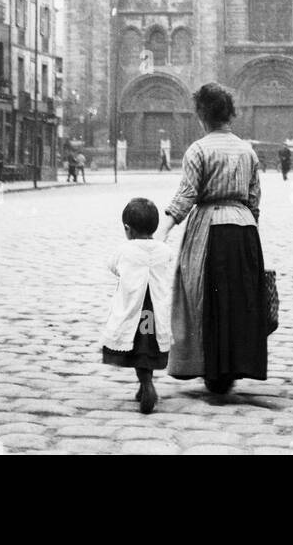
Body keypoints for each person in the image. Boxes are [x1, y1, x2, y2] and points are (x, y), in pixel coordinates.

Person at [157, 83, 268, 397]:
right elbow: (254, 200)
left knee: (205, 297)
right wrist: (250, 231)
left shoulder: (198, 149)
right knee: (238, 301)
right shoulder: (247, 150)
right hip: (245, 230)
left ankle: (211, 367)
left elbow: (187, 196)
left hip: (210, 229)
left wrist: (163, 230)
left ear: (201, 114)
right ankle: (233, 367)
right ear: (230, 114)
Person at [101, 197, 173, 415]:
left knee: (138, 348)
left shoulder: (125, 250)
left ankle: (147, 386)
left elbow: (112, 266)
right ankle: (145, 385)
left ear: (128, 229)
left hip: (135, 312)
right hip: (152, 313)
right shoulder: (163, 249)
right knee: (148, 348)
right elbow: (168, 261)